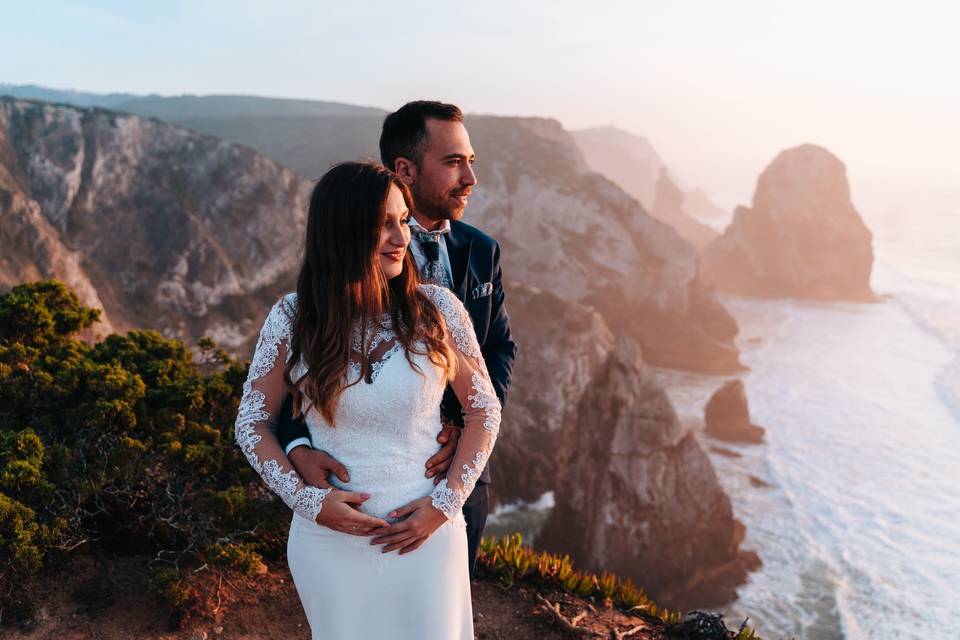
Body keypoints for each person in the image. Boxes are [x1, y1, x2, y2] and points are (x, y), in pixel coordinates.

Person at [234, 161, 501, 638]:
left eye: (402, 221)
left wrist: (442, 506)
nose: (401, 238)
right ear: (342, 232)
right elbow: (252, 422)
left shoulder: (438, 309)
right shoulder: (293, 318)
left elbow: (484, 408)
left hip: (428, 539)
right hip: (329, 543)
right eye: (383, 225)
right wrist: (308, 501)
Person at [276, 101, 516, 574]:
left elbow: (498, 349)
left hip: (461, 479)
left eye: (471, 161)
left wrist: (458, 428)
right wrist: (296, 447)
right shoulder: (334, 270)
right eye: (453, 163)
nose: (469, 178)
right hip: (356, 489)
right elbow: (302, 362)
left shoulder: (481, 250)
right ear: (404, 170)